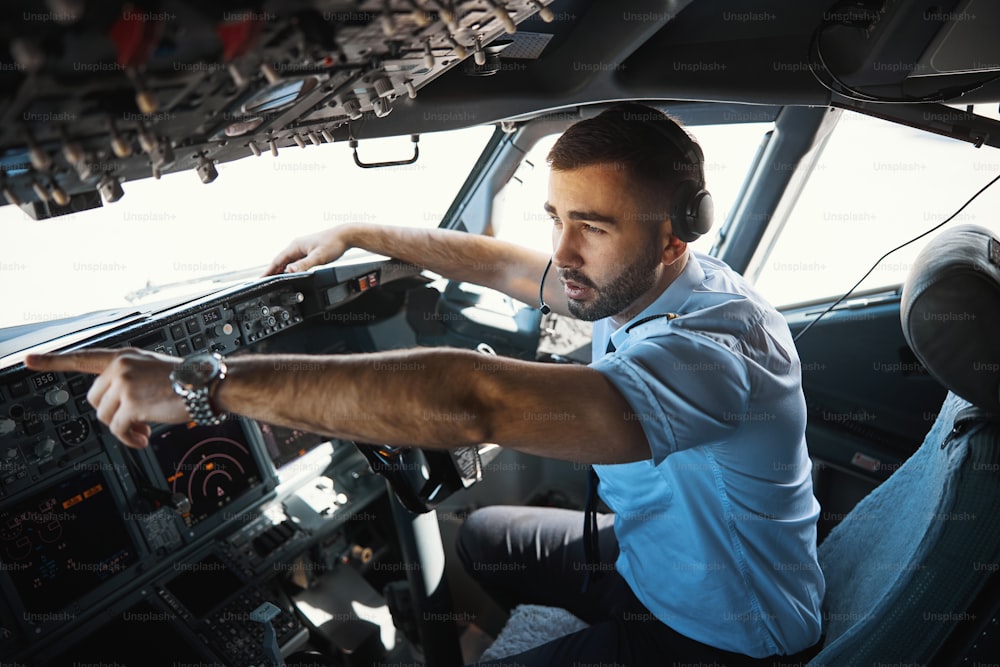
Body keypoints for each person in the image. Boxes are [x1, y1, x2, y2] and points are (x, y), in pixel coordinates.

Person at [27, 103, 824, 665]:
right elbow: (515, 266)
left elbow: (477, 399)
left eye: (595, 225)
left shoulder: (721, 347)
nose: (563, 251)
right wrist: (360, 230)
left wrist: (205, 383)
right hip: (652, 556)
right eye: (556, 215)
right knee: (481, 537)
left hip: (726, 632)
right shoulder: (637, 277)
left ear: (677, 231)